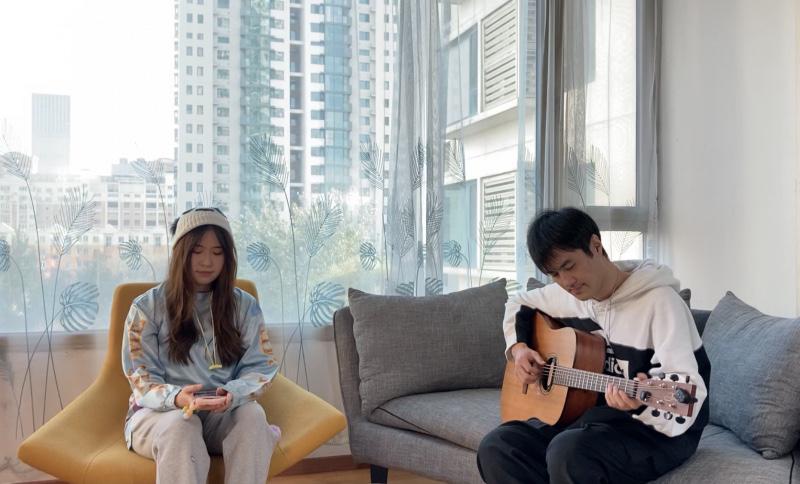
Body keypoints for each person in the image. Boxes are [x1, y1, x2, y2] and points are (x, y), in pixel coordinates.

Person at [477, 207, 710, 484]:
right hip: (591, 422)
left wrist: (638, 402)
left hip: (656, 432)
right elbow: (518, 303)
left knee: (569, 452)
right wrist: (520, 349)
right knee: (499, 446)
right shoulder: (569, 296)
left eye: (569, 266)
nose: (566, 283)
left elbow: (686, 395)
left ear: (596, 246)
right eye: (554, 275)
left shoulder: (661, 303)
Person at [121, 207, 281, 484]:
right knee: (182, 426)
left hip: (221, 415)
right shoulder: (146, 307)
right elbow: (141, 378)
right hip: (162, 416)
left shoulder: (244, 306)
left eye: (217, 252)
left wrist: (232, 394)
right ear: (181, 252)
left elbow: (260, 366)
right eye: (197, 250)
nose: (207, 261)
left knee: (253, 417)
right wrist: (178, 397)